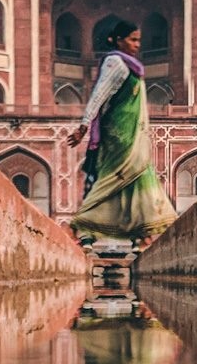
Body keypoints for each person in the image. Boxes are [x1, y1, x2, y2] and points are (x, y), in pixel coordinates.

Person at [67, 21, 176, 246]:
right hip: (118, 135)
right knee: (112, 179)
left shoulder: (133, 66)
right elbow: (99, 94)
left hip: (133, 133)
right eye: (132, 39)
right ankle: (80, 226)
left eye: (138, 40)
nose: (137, 45)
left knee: (136, 177)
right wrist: (83, 126)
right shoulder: (115, 61)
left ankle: (141, 233)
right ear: (118, 40)